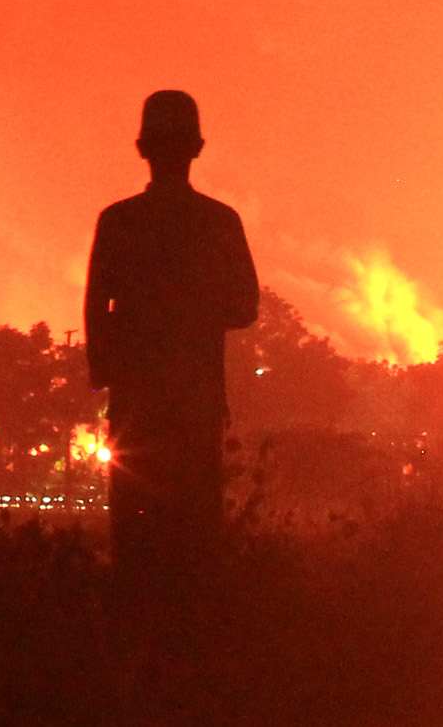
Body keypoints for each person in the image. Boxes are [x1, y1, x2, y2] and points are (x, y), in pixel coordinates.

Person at [83, 89, 259, 581]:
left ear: (142, 148)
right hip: (196, 403)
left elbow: (96, 306)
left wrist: (103, 377)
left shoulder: (118, 222)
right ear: (198, 148)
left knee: (136, 532)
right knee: (194, 533)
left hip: (137, 404)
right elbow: (246, 307)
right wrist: (195, 313)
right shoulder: (219, 223)